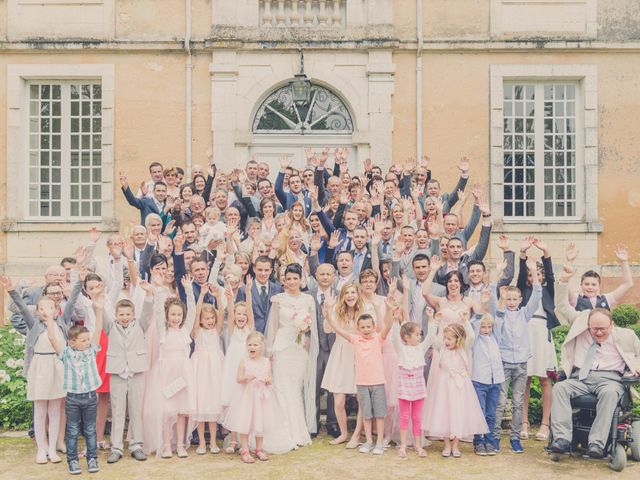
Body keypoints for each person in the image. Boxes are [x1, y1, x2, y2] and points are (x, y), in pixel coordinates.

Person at [549, 265, 640, 458]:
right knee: (560, 388)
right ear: (588, 325)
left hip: (609, 380)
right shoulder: (581, 323)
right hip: (581, 377)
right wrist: (564, 281)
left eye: (602, 329)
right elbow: (562, 306)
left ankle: (597, 444)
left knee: (609, 394)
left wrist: (636, 368)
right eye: (594, 329)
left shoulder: (626, 335)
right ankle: (562, 439)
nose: (598, 332)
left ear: (611, 324)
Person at [46, 291, 104, 475]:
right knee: (71, 431)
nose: (87, 342)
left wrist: (99, 310)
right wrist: (49, 319)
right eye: (83, 340)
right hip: (72, 398)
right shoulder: (67, 354)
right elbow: (53, 339)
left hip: (90, 397)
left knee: (90, 430)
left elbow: (98, 331)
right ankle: (72, 461)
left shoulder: (91, 351)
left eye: (87, 340)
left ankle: (92, 458)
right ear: (72, 342)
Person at [488, 257, 541, 453]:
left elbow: (537, 294)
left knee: (518, 403)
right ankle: (494, 437)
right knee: (500, 402)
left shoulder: (524, 314)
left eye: (514, 299)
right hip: (502, 363)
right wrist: (497, 273)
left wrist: (534, 271)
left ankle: (515, 438)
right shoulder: (498, 314)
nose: (511, 302)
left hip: (520, 364)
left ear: (520, 300)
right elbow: (492, 297)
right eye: (508, 299)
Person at [264, 264, 319, 450]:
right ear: (284, 281)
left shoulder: (308, 299)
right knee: (281, 389)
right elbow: (273, 326)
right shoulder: (278, 299)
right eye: (289, 278)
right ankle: (284, 432)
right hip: (282, 347)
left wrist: (306, 336)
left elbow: (311, 327)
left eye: (296, 278)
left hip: (299, 348)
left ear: (301, 280)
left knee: (295, 390)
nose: (292, 281)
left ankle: (298, 431)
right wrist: (269, 349)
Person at [325, 309, 391, 456]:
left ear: (374, 327)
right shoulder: (356, 339)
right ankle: (368, 441)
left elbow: (388, 326)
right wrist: (328, 317)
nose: (366, 330)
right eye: (362, 327)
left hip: (378, 382)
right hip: (361, 383)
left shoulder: (378, 338)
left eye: (369, 327)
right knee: (366, 414)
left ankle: (379, 442)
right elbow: (338, 330)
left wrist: (390, 309)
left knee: (379, 415)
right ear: (358, 329)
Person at [146, 275, 197, 459]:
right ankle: (167, 445)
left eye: (178, 315)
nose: (176, 318)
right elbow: (158, 312)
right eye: (173, 314)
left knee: (182, 411)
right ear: (168, 316)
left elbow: (192, 311)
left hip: (183, 375)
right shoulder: (163, 332)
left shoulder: (185, 331)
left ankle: (181, 445)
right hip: (166, 373)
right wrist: (159, 291)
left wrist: (189, 290)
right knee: (167, 411)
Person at [103, 285, 154, 463]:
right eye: (121, 314)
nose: (124, 318)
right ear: (116, 315)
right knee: (117, 411)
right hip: (117, 371)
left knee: (135, 410)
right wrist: (98, 300)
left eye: (128, 314)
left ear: (133, 315)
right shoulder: (110, 326)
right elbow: (101, 313)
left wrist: (148, 293)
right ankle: (116, 447)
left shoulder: (140, 324)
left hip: (136, 371)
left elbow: (148, 312)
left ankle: (136, 445)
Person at [424, 323, 488, 458]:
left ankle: (455, 445)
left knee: (458, 413)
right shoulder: (442, 349)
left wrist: (466, 321)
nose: (446, 341)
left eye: (449, 338)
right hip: (444, 386)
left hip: (460, 387)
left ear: (458, 339)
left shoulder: (464, 349)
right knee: (445, 413)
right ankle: (447, 444)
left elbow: (471, 336)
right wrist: (431, 320)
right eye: (445, 338)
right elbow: (432, 338)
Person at [517, 236, 558, 442]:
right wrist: (523, 254)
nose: (536, 278)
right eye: (533, 275)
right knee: (524, 378)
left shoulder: (547, 291)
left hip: (543, 332)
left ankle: (545, 423)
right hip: (525, 332)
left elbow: (551, 276)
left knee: (544, 378)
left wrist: (546, 252)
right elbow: (520, 275)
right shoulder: (523, 291)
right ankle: (523, 422)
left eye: (539, 275)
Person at [223, 331, 286, 463]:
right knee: (245, 423)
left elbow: (270, 378)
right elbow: (238, 379)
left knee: (260, 424)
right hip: (247, 397)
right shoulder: (244, 361)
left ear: (261, 346)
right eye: (250, 345)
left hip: (262, 398)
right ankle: (245, 450)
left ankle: (259, 448)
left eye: (255, 345)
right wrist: (246, 377)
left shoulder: (265, 361)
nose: (252, 347)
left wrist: (268, 380)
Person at [321, 281, 366, 448]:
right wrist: (328, 313)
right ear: (342, 296)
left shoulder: (363, 311)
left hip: (358, 356)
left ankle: (356, 435)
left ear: (357, 294)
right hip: (340, 356)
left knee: (361, 399)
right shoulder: (337, 311)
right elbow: (327, 329)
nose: (350, 296)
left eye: (353, 292)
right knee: (338, 401)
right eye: (347, 293)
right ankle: (344, 433)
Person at [388, 304, 436, 458]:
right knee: (404, 417)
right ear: (407, 337)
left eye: (419, 334)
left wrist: (431, 319)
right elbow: (395, 337)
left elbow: (430, 337)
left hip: (418, 388)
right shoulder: (401, 349)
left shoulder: (421, 348)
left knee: (416, 417)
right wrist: (395, 321)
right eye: (416, 334)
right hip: (404, 388)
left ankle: (417, 445)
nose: (419, 336)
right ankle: (403, 445)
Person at [220, 281, 255, 454]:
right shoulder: (232, 330)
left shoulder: (250, 329)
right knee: (234, 403)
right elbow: (232, 313)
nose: (241, 316)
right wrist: (230, 299)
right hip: (233, 370)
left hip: (247, 370)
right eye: (238, 314)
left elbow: (249, 310)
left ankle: (246, 438)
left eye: (244, 314)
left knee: (246, 404)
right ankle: (233, 440)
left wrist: (248, 292)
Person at [191, 283, 225, 455]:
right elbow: (196, 314)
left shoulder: (216, 331)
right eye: (207, 318)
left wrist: (218, 296)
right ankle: (202, 442)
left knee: (212, 403)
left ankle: (213, 441)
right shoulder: (197, 332)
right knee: (201, 403)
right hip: (201, 369)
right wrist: (202, 295)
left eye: (212, 317)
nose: (210, 321)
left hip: (215, 369)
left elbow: (223, 314)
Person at [470, 299, 504, 457]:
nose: (486, 329)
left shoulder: (495, 338)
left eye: (489, 326)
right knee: (480, 412)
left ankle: (489, 440)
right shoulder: (476, 340)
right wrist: (482, 305)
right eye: (483, 327)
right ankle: (478, 441)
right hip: (479, 380)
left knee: (491, 413)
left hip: (495, 380)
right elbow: (475, 323)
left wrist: (501, 300)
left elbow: (500, 320)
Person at [566, 243, 634, 312]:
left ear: (599, 286)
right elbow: (564, 284)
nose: (590, 287)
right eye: (586, 284)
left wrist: (624, 262)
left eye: (594, 284)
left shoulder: (607, 299)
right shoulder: (575, 299)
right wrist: (569, 261)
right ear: (581, 285)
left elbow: (627, 284)